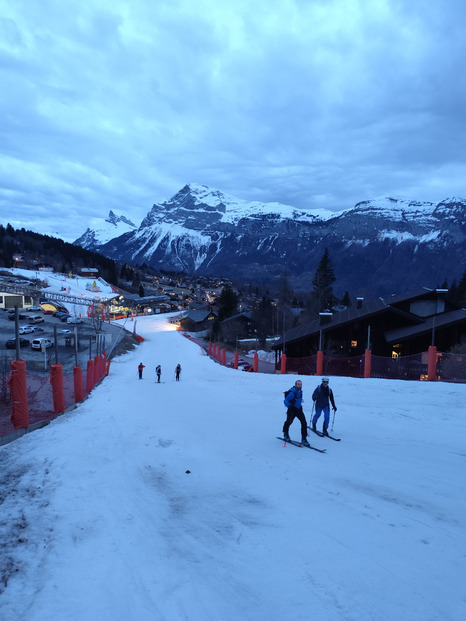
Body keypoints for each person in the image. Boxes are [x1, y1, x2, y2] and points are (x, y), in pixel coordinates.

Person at [282, 379, 310, 446]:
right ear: (295, 385)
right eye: (298, 384)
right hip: (292, 410)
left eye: (300, 384)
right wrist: (289, 405)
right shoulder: (292, 393)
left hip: (299, 410)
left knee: (304, 423)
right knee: (289, 422)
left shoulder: (300, 392)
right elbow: (285, 401)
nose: (299, 385)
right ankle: (285, 434)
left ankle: (304, 439)